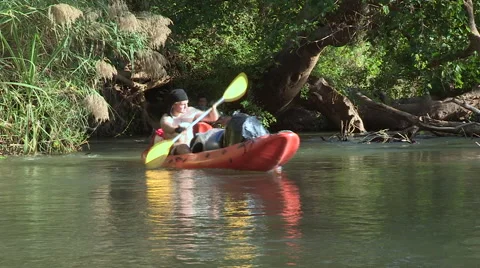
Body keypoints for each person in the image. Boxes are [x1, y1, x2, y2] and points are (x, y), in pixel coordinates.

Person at [160, 88, 220, 155]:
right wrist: (176, 129)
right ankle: (193, 160)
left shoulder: (191, 111)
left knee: (203, 142)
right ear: (173, 105)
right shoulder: (167, 117)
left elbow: (212, 118)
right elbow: (167, 127)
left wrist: (213, 108)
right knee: (183, 146)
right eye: (183, 104)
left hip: (191, 145)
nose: (186, 106)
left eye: (187, 103)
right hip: (176, 147)